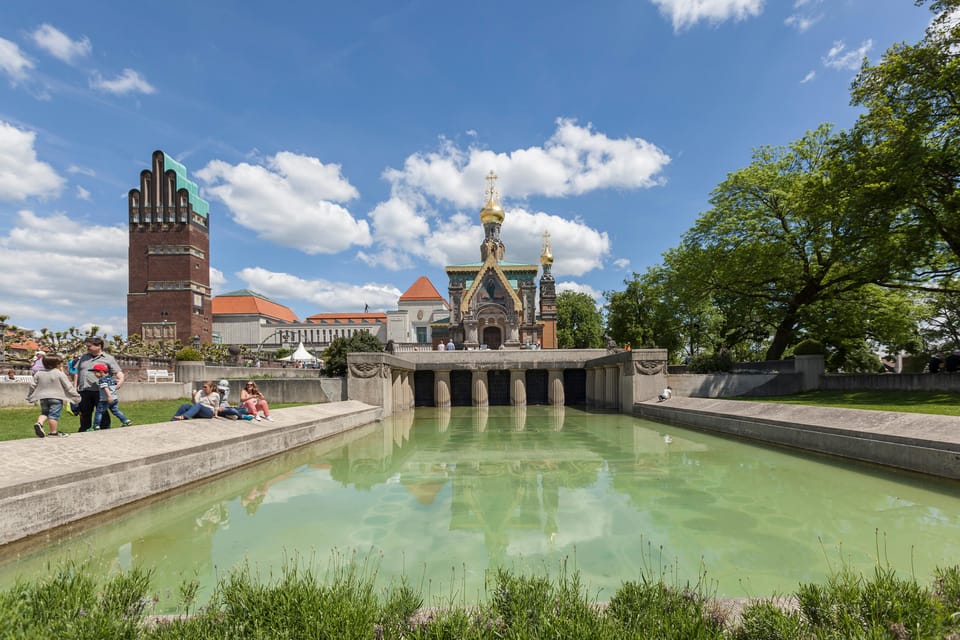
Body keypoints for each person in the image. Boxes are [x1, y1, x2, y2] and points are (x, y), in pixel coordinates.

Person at [74, 337, 124, 432]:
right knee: (84, 412)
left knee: (102, 412)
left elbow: (118, 372)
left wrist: (121, 380)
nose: (87, 348)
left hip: (101, 391)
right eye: (87, 346)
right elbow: (77, 372)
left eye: (89, 346)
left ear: (99, 346)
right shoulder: (84, 357)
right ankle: (84, 430)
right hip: (84, 390)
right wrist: (75, 387)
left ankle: (105, 430)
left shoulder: (108, 358)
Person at [26, 354, 80, 438]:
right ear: (57, 364)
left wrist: (30, 395)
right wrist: (76, 396)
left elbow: (32, 385)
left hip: (43, 398)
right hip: (56, 398)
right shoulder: (59, 374)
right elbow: (68, 386)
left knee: (45, 413)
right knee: (54, 415)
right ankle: (53, 432)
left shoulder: (39, 373)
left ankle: (39, 423)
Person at [92, 363, 132, 429]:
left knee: (99, 412)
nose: (95, 374)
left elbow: (106, 388)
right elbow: (116, 384)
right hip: (114, 398)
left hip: (105, 399)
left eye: (96, 372)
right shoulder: (111, 378)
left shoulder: (102, 380)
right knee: (116, 411)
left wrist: (109, 396)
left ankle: (96, 425)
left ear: (101, 372)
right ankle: (125, 421)